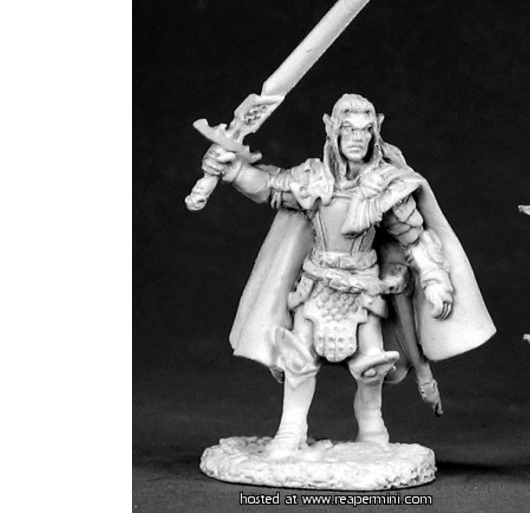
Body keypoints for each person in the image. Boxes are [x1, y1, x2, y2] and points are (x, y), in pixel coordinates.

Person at [203, 94, 494, 458]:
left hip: (363, 291)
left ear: (375, 132)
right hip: (315, 286)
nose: (357, 138)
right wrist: (232, 170)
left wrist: (435, 280)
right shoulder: (313, 178)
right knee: (299, 360)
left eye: (365, 130)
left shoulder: (387, 186)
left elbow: (415, 238)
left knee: (370, 366)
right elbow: (271, 188)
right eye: (349, 129)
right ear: (333, 130)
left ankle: (372, 431)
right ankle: (291, 430)